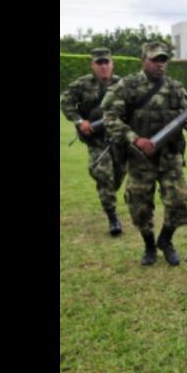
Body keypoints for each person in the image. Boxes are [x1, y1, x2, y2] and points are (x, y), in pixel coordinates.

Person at [102, 42, 187, 267]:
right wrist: (135, 139)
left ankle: (166, 240)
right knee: (139, 207)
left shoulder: (175, 87)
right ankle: (149, 245)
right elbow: (110, 118)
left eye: (163, 60)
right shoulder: (127, 86)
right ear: (143, 60)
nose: (159, 64)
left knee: (179, 202)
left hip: (170, 157)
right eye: (155, 60)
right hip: (140, 159)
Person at [60, 47, 126, 236]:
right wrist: (80, 121)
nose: (103, 66)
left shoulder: (122, 83)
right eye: (99, 63)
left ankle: (108, 192)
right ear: (93, 65)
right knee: (103, 175)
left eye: (106, 62)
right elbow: (66, 102)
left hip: (118, 139)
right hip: (96, 139)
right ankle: (113, 218)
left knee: (118, 175)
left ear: (112, 64)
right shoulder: (82, 84)